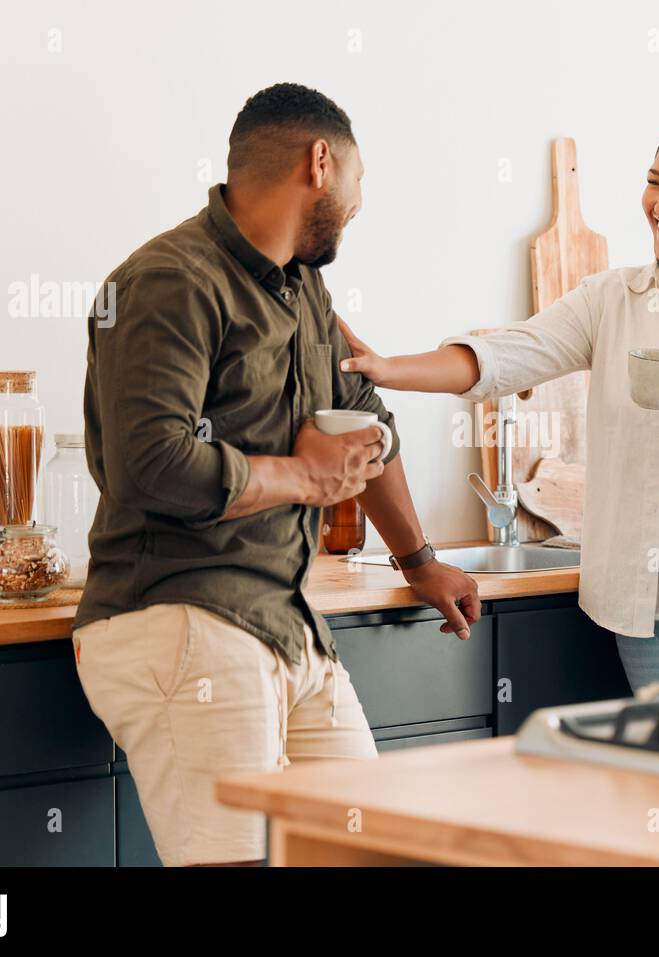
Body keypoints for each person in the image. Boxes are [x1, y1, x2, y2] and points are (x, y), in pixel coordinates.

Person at [71, 83, 480, 867]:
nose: (360, 203)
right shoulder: (167, 281)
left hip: (285, 626)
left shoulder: (303, 290)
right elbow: (149, 464)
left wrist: (420, 561)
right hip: (181, 617)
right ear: (320, 162)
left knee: (374, 851)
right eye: (357, 180)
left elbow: (367, 424)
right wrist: (301, 475)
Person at [337, 115, 659, 696]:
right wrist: (388, 369)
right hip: (649, 620)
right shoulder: (611, 299)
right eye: (654, 181)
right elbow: (507, 355)